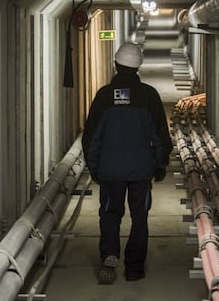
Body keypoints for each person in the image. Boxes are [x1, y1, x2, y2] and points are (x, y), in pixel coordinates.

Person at [82, 42, 172, 284]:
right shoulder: (149, 96)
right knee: (139, 216)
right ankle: (134, 268)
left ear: (116, 65)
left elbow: (91, 137)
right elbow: (160, 135)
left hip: (110, 171)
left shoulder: (103, 96)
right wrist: (160, 164)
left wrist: (94, 167)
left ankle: (110, 253)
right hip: (141, 171)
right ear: (138, 67)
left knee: (110, 213)